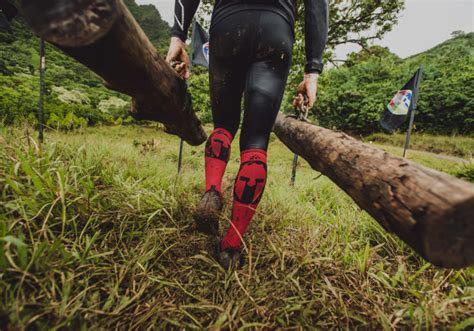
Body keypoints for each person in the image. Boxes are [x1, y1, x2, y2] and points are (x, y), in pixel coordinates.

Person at [167, 0, 328, 268]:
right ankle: (231, 245)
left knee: (224, 125)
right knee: (255, 142)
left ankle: (212, 191)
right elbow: (317, 6)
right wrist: (312, 71)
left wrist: (177, 36)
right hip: (276, 30)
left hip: (228, 25)